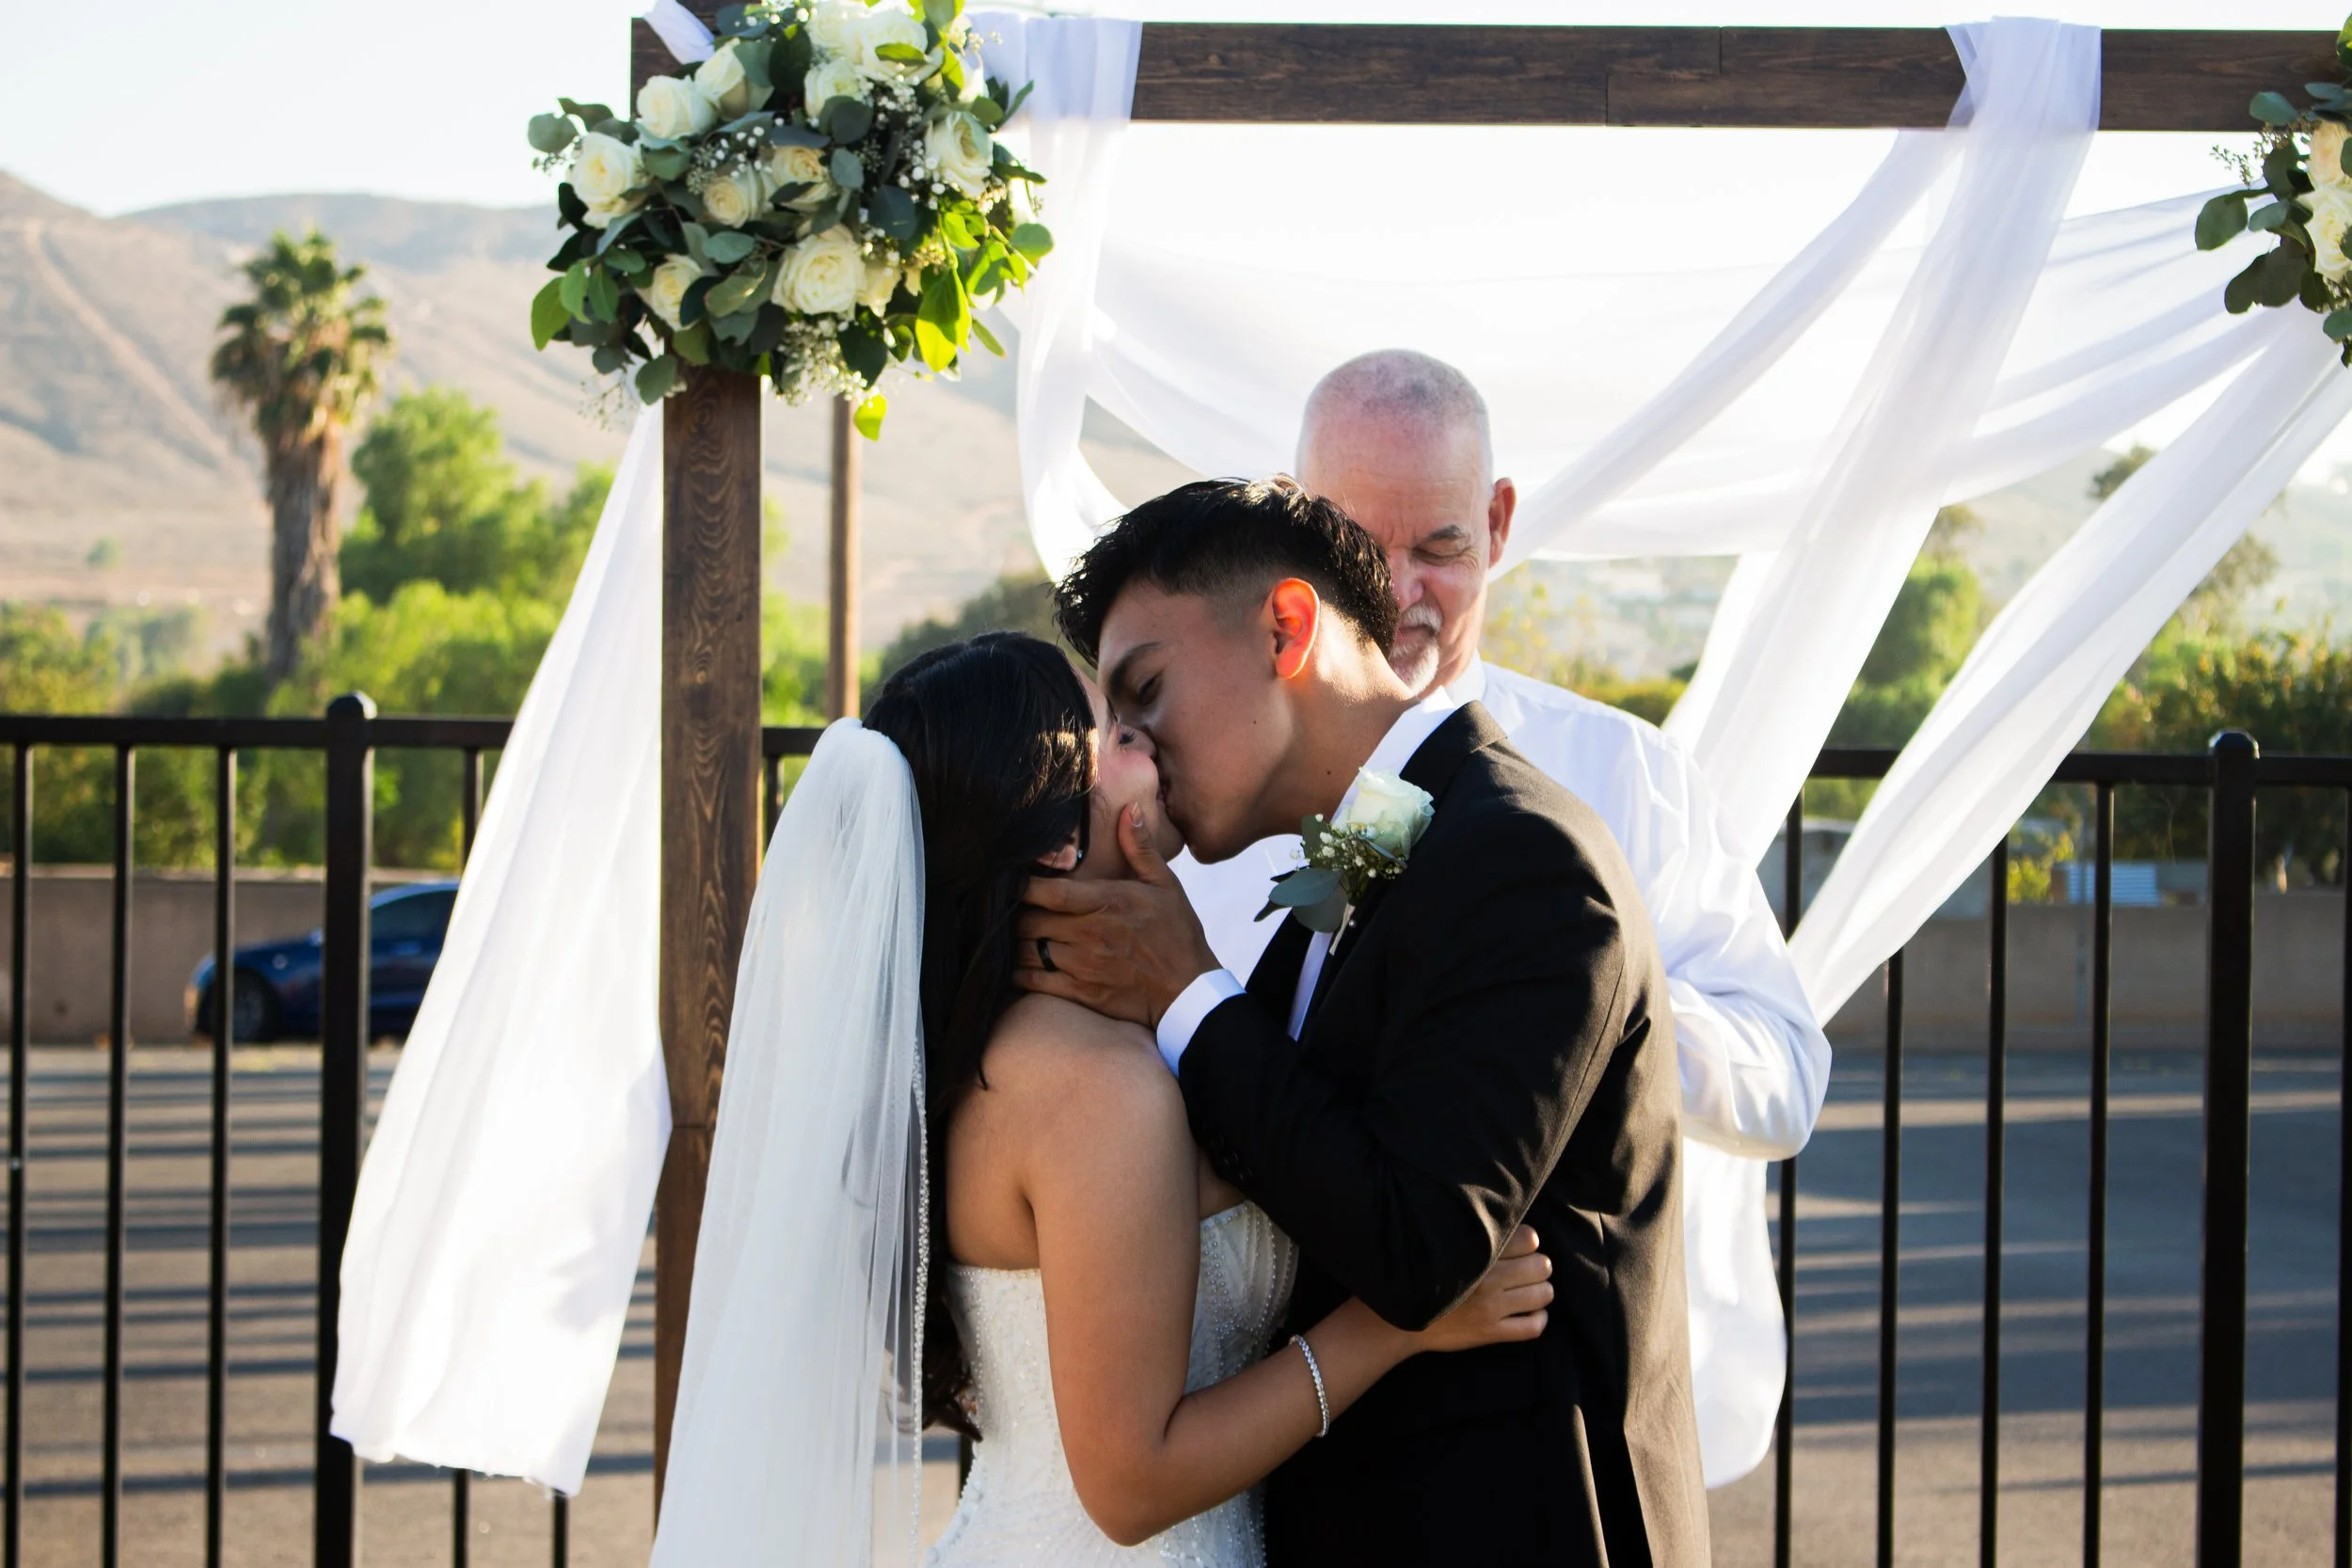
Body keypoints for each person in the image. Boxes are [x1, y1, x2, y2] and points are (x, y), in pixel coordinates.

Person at [647, 632, 1553, 1568]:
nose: (1148, 737)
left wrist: (1397, 774)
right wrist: (1392, 1326)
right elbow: (1132, 1483)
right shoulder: (1095, 1087)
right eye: (1116, 732)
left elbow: (1293, 986)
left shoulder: (1010, 1040)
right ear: (1056, 842)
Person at [1017, 482, 1710, 1564]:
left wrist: (1184, 984)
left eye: (1145, 689)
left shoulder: (1521, 855)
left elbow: (1420, 1245)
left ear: (1285, 628)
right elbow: (1298, 1125)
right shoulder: (1379, 831)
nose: (1135, 744)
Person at [1171, 350, 1833, 1483]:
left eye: (1439, 547)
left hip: (1554, 1439)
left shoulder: (1624, 776)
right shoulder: (1204, 802)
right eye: (1355, 547)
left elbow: (1786, 1079)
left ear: (1498, 522)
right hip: (1269, 1436)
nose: (1397, 592)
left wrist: (1581, 1002)